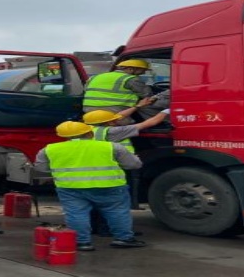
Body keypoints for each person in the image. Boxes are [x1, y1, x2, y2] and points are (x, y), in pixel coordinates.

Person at [34, 121, 146, 252]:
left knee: (76, 213)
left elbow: (41, 168)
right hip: (110, 186)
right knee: (117, 211)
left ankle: (82, 242)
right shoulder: (111, 146)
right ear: (90, 133)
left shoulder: (49, 149)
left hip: (70, 187)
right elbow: (134, 165)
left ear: (63, 136)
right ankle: (124, 239)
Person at [83, 105, 172, 233]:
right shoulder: (113, 132)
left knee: (94, 202)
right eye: (112, 120)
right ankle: (108, 229)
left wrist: (138, 106)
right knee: (113, 204)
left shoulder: (86, 131)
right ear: (108, 122)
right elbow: (149, 123)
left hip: (90, 170)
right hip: (113, 170)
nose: (116, 120)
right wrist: (166, 110)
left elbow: (119, 116)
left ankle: (94, 227)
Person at [82, 59, 155, 123]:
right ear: (130, 69)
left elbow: (86, 90)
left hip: (89, 110)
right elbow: (147, 95)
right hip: (115, 111)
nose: (143, 73)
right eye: (142, 70)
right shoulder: (131, 79)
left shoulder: (94, 77)